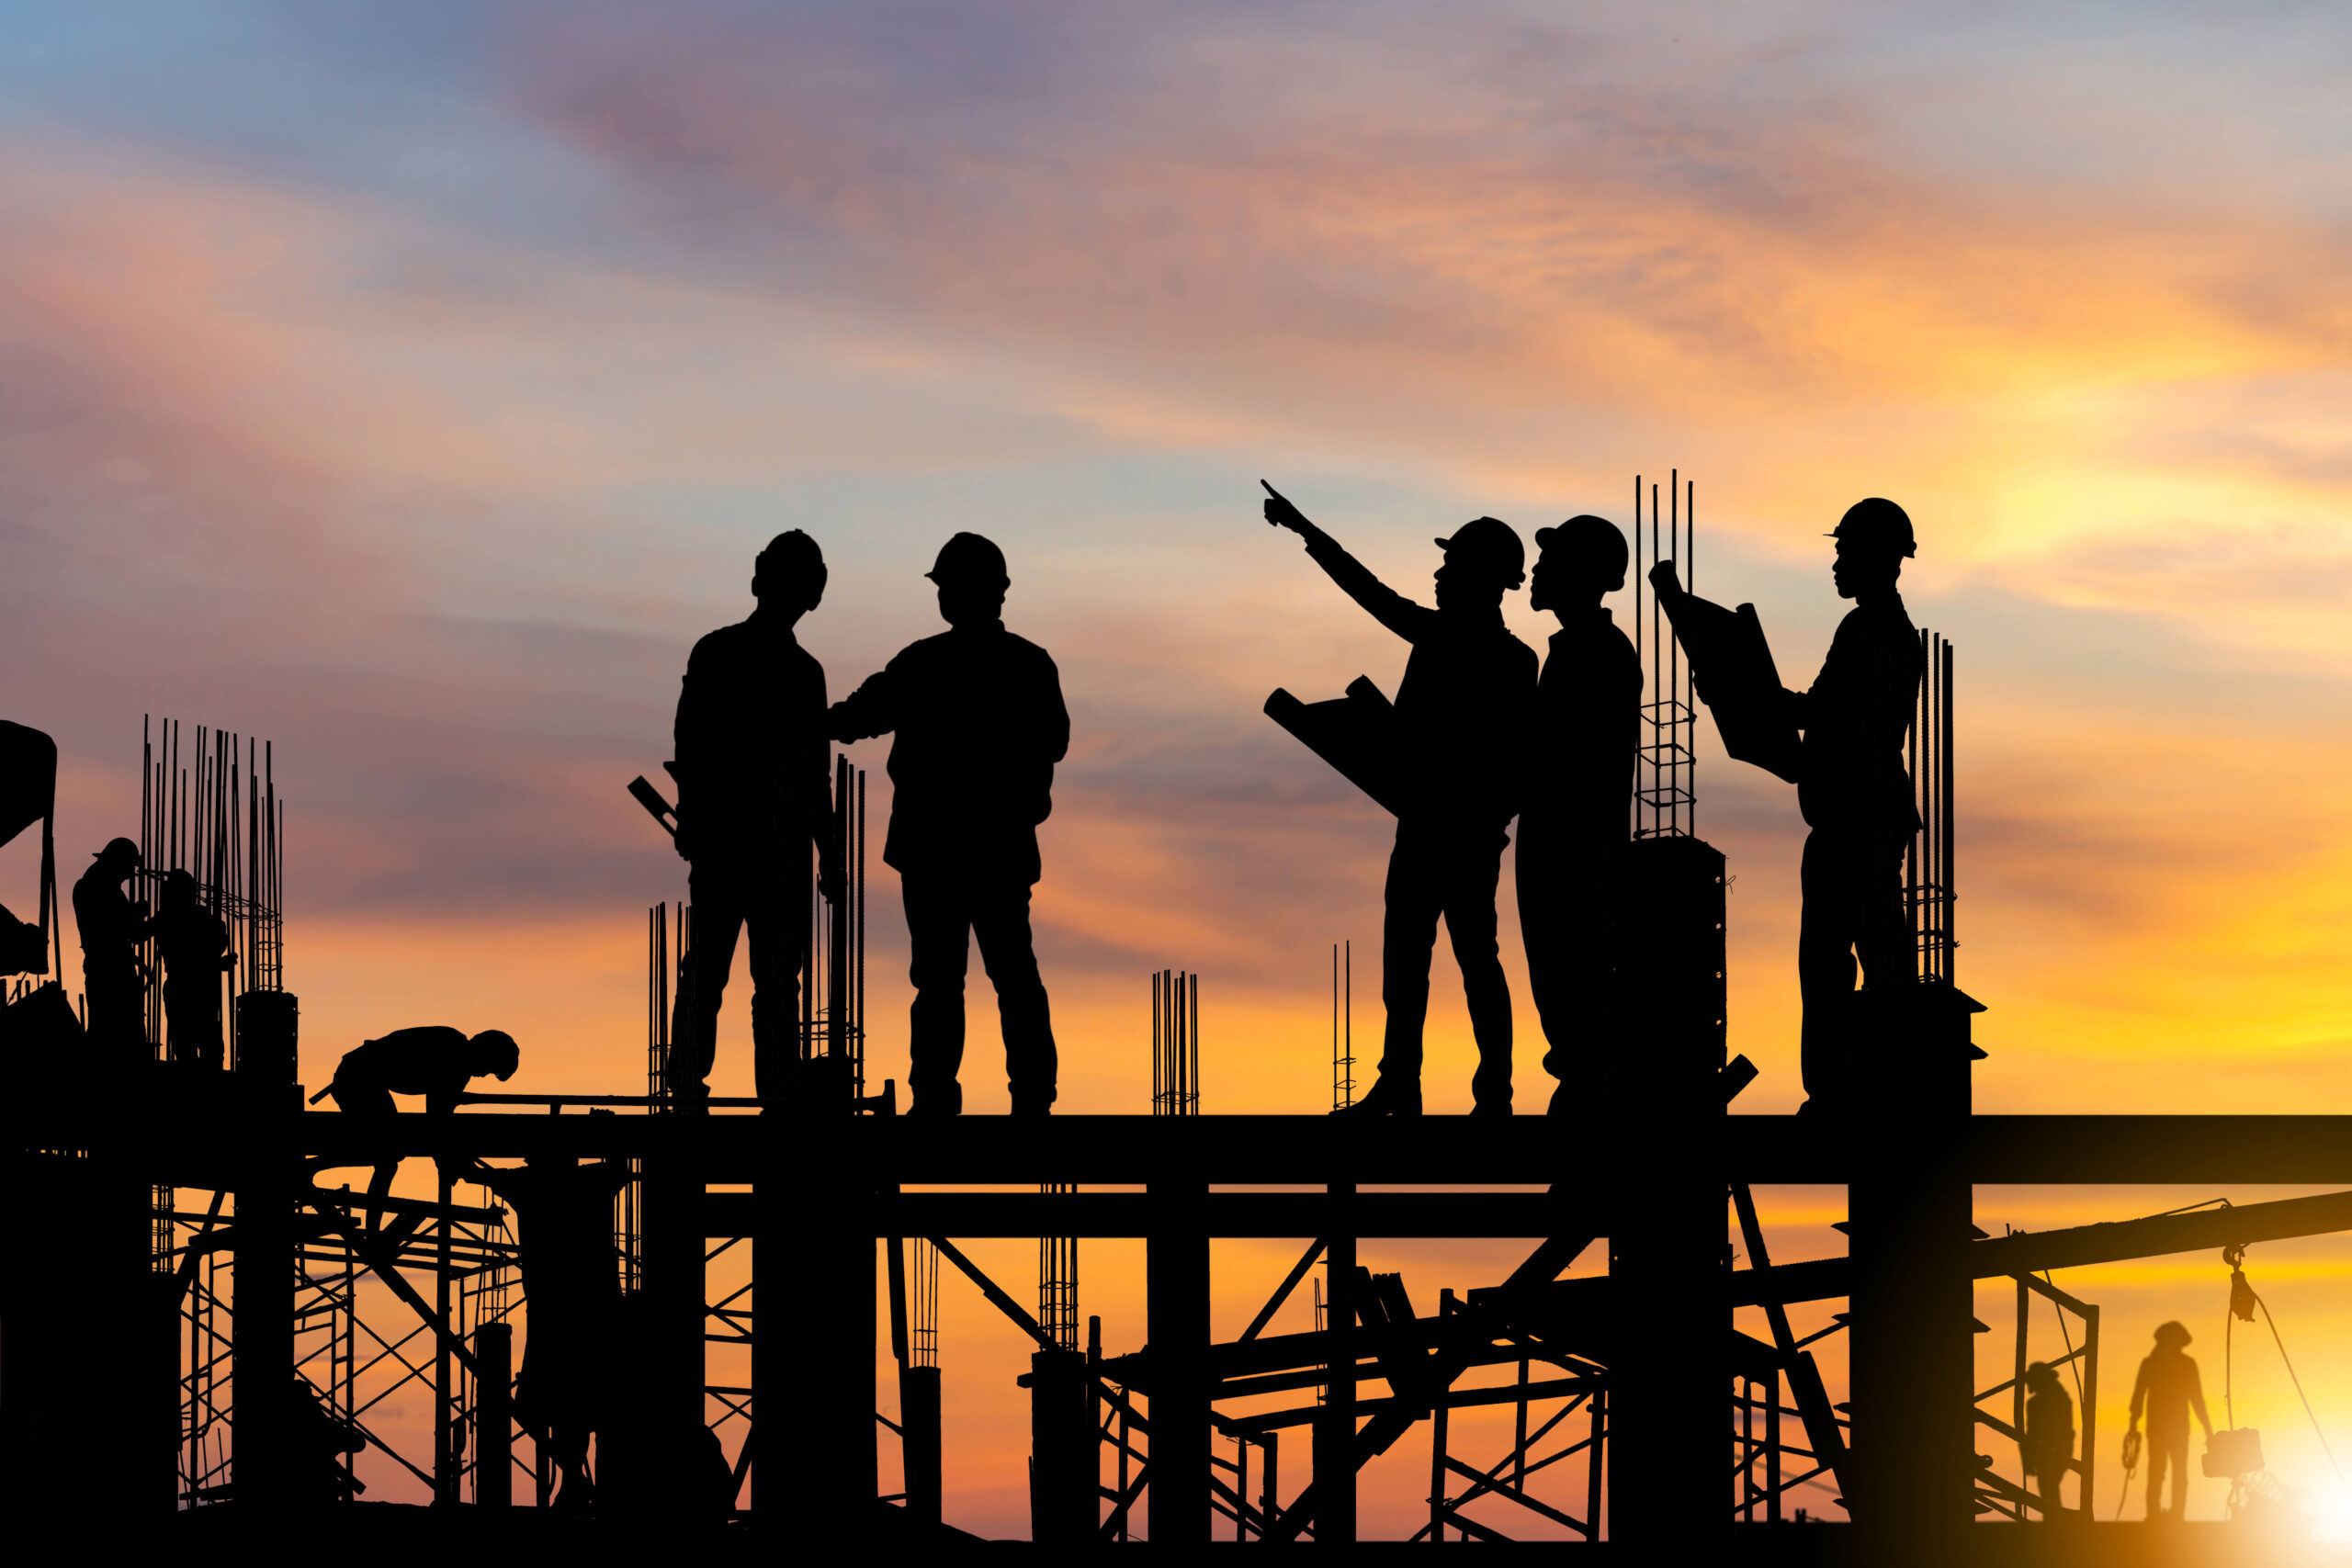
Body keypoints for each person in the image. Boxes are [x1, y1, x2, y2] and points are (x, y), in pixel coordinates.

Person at [1262, 488, 1537, 1115]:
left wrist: (1484, 816)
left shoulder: (1506, 660)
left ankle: (1490, 1090)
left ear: (1484, 579)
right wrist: (1306, 528)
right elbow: (1369, 591)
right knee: (1409, 960)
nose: (1439, 576)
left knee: (1473, 959)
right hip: (1426, 828)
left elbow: (1522, 760)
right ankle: (1405, 1084)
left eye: (1452, 567)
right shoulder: (1457, 641)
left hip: (1461, 836)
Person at [831, 533, 1070, 1118]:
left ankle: (938, 1100)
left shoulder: (923, 664)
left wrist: (804, 720)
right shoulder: (1028, 665)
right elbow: (1055, 742)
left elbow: (855, 718)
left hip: (938, 849)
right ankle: (1031, 1100)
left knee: (942, 982)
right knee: (1010, 973)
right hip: (995, 849)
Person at [671, 529, 841, 1111]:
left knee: (746, 981)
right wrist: (829, 854)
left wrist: (830, 852)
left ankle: (742, 1093)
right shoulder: (736, 658)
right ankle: (720, 1091)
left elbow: (813, 774)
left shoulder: (766, 664)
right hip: (747, 846)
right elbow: (691, 744)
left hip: (764, 849)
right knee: (728, 977)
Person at [1784, 499, 1925, 1113]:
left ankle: (1845, 1087)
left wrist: (1756, 699)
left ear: (1877, 558)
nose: (1836, 563)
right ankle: (1877, 1080)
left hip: (1855, 818)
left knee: (1834, 957)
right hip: (1863, 812)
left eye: (1845, 551)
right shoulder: (1880, 630)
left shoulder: (1871, 633)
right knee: (1870, 948)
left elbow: (1829, 716)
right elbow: (1826, 713)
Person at [1518, 517, 1640, 1118]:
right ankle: (1583, 1096)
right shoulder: (1577, 650)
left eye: (1552, 558)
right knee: (1563, 993)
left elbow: (1570, 760)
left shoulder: (1595, 653)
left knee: (1575, 988)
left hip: (1572, 856)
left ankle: (1588, 1115)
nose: (1537, 570)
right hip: (1560, 847)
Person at [475, 1153, 629, 1511]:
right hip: (596, 1312)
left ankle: (574, 1482)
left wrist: (455, 1156)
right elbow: (621, 1167)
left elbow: (474, 1174)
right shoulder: (593, 1180)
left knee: (554, 1406)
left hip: (552, 1312)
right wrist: (607, 1134)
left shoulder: (530, 1183)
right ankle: (576, 1483)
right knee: (583, 1406)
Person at [308, 1026, 519, 1235]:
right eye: (490, 1068)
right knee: (386, 1158)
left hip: (360, 1077)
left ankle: (316, 1171)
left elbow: (440, 1119)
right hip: (357, 1078)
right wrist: (449, 1160)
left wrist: (452, 1159)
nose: (484, 1075)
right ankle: (369, 1232)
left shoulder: (455, 1054)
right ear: (485, 1053)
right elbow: (437, 1120)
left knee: (386, 1159)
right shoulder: (453, 1056)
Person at [72, 836, 148, 1055]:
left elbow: (115, 932)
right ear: (117, 863)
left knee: (104, 1032)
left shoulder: (93, 886)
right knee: (123, 1036)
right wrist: (139, 916)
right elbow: (114, 929)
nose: (130, 874)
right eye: (128, 867)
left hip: (102, 969)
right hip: (112, 974)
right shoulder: (100, 889)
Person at [2129, 1320, 2211, 1522]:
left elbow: (2196, 1398)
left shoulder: (2160, 1363)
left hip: (2171, 1428)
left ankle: (2168, 1515)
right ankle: (2161, 1515)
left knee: (2166, 1472)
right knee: (2162, 1472)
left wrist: (2207, 1427)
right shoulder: (2157, 1364)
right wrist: (2133, 1425)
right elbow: (2139, 1396)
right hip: (2167, 1428)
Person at [153, 868, 234, 1069]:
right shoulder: (195, 916)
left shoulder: (166, 918)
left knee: (190, 1049)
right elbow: (200, 955)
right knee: (202, 1049)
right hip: (197, 990)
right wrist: (218, 962)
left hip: (184, 990)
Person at [2022, 1359, 2075, 1520]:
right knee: (2049, 1487)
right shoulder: (2060, 1399)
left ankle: (2054, 1522)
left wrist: (2028, 1458)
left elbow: (2032, 1434)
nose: (2028, 1385)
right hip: (2055, 1451)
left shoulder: (2041, 1402)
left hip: (2051, 1452)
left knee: (2048, 1487)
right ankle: (2054, 1521)